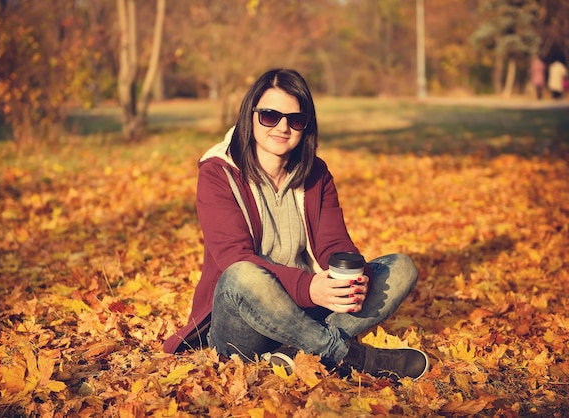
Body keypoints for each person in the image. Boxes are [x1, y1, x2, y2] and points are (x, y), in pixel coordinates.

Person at [163, 68, 429, 381]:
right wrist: (309, 288)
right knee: (241, 275)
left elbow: (335, 243)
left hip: (308, 308)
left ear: (306, 126)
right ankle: (347, 356)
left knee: (400, 268)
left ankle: (294, 353)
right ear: (250, 116)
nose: (283, 127)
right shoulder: (218, 173)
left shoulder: (315, 173)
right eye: (269, 116)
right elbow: (233, 257)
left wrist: (354, 279)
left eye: (295, 119)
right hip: (242, 327)